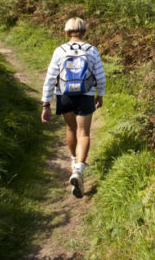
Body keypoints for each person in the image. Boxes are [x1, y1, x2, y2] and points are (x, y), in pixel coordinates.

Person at [41, 17, 106, 198]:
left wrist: (46, 104)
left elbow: (49, 79)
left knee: (70, 128)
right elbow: (100, 76)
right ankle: (79, 168)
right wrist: (100, 95)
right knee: (84, 133)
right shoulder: (91, 50)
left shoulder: (60, 51)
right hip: (85, 95)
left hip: (65, 95)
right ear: (84, 32)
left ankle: (73, 161)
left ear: (66, 33)